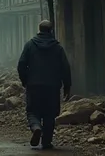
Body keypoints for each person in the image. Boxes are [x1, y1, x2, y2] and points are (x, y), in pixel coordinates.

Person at [18, 20, 71, 151]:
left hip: (34, 85)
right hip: (52, 87)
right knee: (50, 114)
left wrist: (25, 80)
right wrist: (67, 86)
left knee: (32, 111)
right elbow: (65, 68)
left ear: (39, 29)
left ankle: (36, 127)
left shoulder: (30, 45)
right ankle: (46, 142)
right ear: (51, 30)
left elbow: (21, 65)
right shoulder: (58, 48)